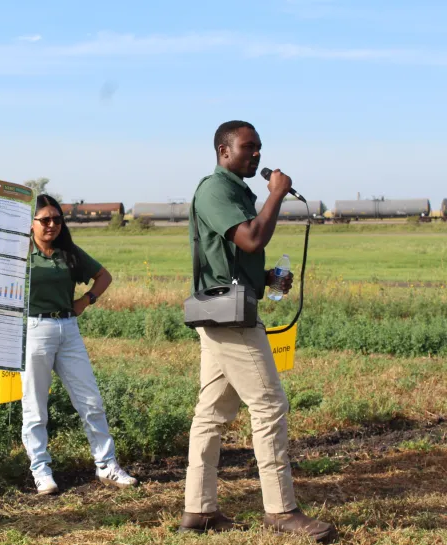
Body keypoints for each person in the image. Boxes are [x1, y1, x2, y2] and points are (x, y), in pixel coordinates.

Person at [179, 121, 337, 543]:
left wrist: (266, 277)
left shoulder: (233, 191)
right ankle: (281, 510)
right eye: (248, 147)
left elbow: (232, 256)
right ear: (223, 150)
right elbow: (250, 238)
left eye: (260, 148)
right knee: (269, 405)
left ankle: (199, 509)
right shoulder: (216, 190)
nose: (257, 155)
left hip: (225, 310)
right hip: (229, 320)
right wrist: (276, 194)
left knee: (211, 413)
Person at [21, 194, 138, 495]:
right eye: (44, 220)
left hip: (68, 330)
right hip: (34, 330)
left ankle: (107, 465)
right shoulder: (20, 254)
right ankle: (41, 470)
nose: (51, 225)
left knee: (90, 401)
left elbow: (103, 276)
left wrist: (86, 301)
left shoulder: (68, 252)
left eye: (57, 219)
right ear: (31, 223)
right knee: (35, 408)